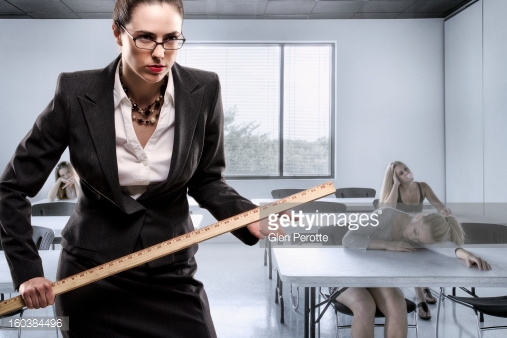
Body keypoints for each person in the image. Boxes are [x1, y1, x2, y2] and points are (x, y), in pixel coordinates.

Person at [0, 1, 283, 337]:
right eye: (146, 38)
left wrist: (245, 214)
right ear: (118, 33)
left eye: (172, 38)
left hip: (171, 269)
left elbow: (207, 179)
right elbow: (12, 188)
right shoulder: (75, 93)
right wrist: (28, 270)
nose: (160, 53)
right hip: (92, 274)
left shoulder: (204, 90)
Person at [333, 207, 491, 338]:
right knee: (365, 306)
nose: (412, 238)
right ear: (420, 217)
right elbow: (348, 239)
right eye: (415, 232)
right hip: (349, 277)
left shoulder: (420, 236)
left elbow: (445, 247)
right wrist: (388, 245)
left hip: (378, 280)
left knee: (398, 306)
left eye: (418, 240)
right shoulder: (383, 215)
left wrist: (468, 255)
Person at [379, 160, 450, 319]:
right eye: (400, 173)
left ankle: (424, 286)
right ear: (394, 178)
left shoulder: (422, 187)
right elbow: (386, 210)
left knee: (431, 243)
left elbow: (438, 204)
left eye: (406, 169)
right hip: (401, 233)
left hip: (417, 231)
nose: (406, 173)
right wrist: (395, 186)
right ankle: (420, 297)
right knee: (412, 252)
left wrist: (443, 210)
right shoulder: (394, 190)